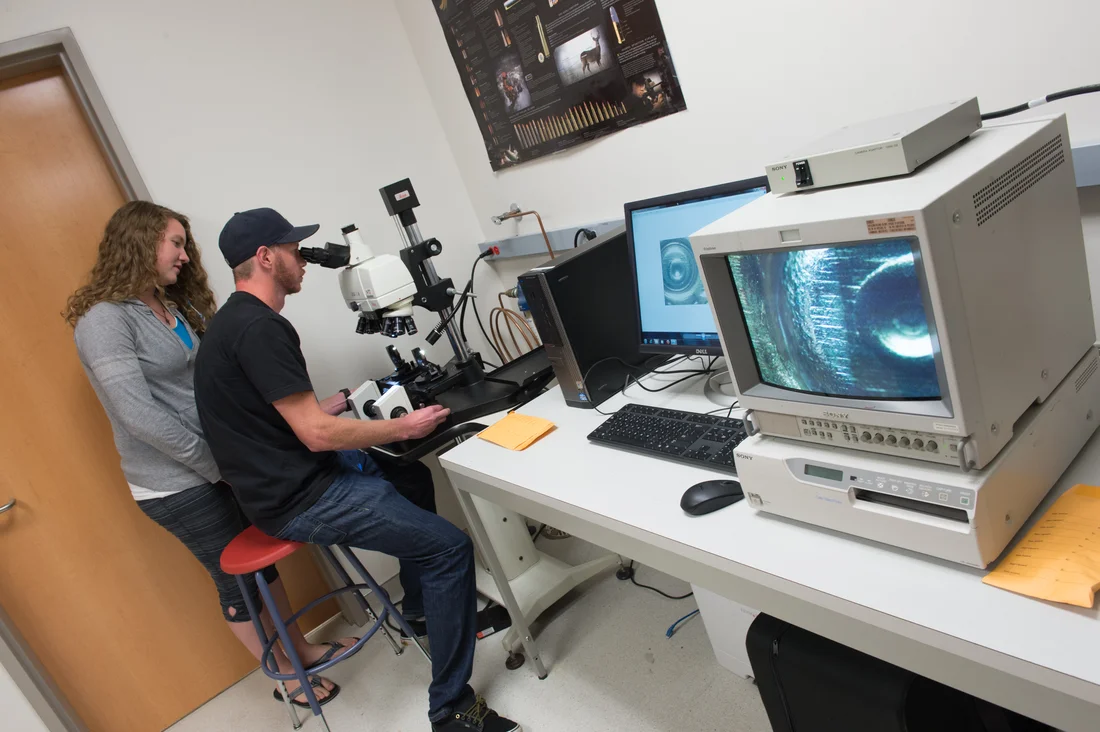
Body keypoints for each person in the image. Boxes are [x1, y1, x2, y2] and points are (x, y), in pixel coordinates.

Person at [193, 208, 522, 732]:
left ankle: (421, 610)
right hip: (303, 496)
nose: (303, 260)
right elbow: (314, 435)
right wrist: (403, 426)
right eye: (294, 250)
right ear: (265, 258)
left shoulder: (231, 323)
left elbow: (279, 418)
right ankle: (451, 708)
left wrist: (349, 400)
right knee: (448, 546)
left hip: (283, 477)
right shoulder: (262, 329)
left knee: (410, 475)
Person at [67, 201, 356, 711]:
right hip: (175, 483)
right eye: (175, 243)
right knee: (237, 579)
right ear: (139, 242)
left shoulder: (168, 306)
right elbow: (140, 417)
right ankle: (286, 676)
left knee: (262, 571)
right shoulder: (104, 321)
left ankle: (300, 650)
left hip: (216, 467)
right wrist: (218, 465)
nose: (184, 255)